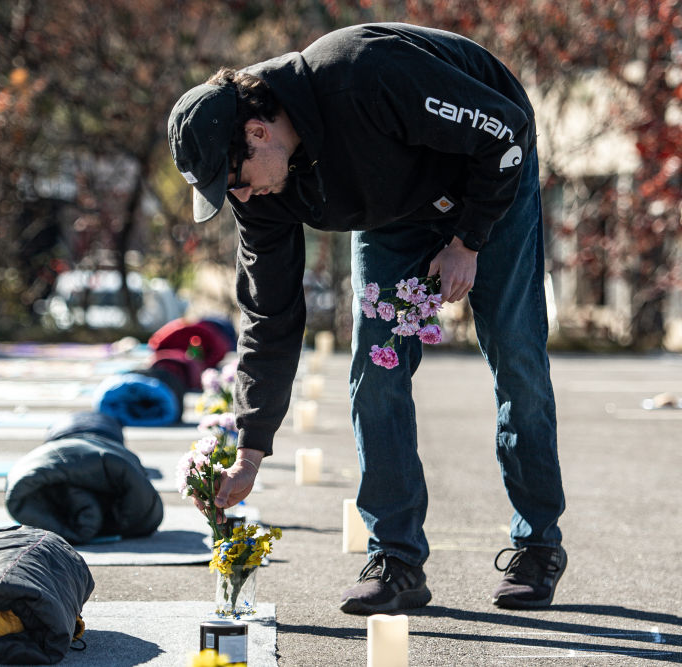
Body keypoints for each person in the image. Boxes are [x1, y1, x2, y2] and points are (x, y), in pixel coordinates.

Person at [167, 23, 566, 614]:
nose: (242, 201)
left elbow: (504, 132)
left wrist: (468, 239)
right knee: (374, 372)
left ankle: (538, 546)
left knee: (515, 352)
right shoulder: (264, 194)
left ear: (257, 132)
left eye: (236, 182)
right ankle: (397, 559)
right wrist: (250, 447)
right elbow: (269, 315)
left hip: (488, 177)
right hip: (396, 212)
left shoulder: (362, 74)